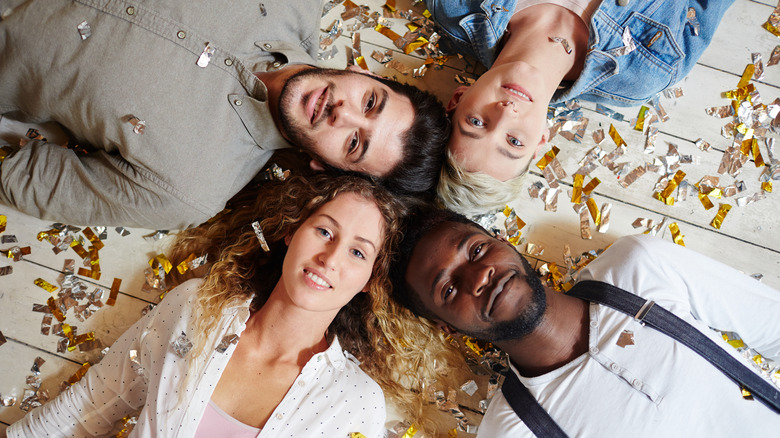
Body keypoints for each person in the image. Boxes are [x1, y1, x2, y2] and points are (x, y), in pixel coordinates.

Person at [7, 175, 465, 437]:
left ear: (371, 281)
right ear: (291, 232)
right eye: (324, 231)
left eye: (358, 252)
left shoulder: (355, 404)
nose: (330, 258)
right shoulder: (195, 309)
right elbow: (89, 405)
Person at [0, 0, 449, 229]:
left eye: (354, 143)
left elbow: (21, 179)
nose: (343, 113)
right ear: (365, 72)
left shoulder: (189, 188)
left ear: (325, 166)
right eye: (370, 102)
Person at [390, 206, 780, 436]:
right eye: (449, 289)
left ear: (501, 241)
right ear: (447, 327)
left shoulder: (637, 268)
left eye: (477, 250)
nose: (479, 277)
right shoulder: (512, 430)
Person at [428, 0, 734, 215]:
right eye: (514, 141)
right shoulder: (646, 73)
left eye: (476, 123)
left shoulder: (455, 7)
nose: (506, 112)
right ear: (542, 139)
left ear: (458, 99)